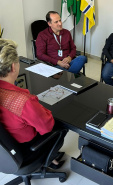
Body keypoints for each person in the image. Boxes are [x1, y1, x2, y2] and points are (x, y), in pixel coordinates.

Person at [0, 39, 66, 169]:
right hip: (26, 152)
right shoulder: (23, 101)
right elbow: (47, 126)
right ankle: (50, 157)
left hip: (6, 151)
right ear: (13, 66)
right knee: (62, 126)